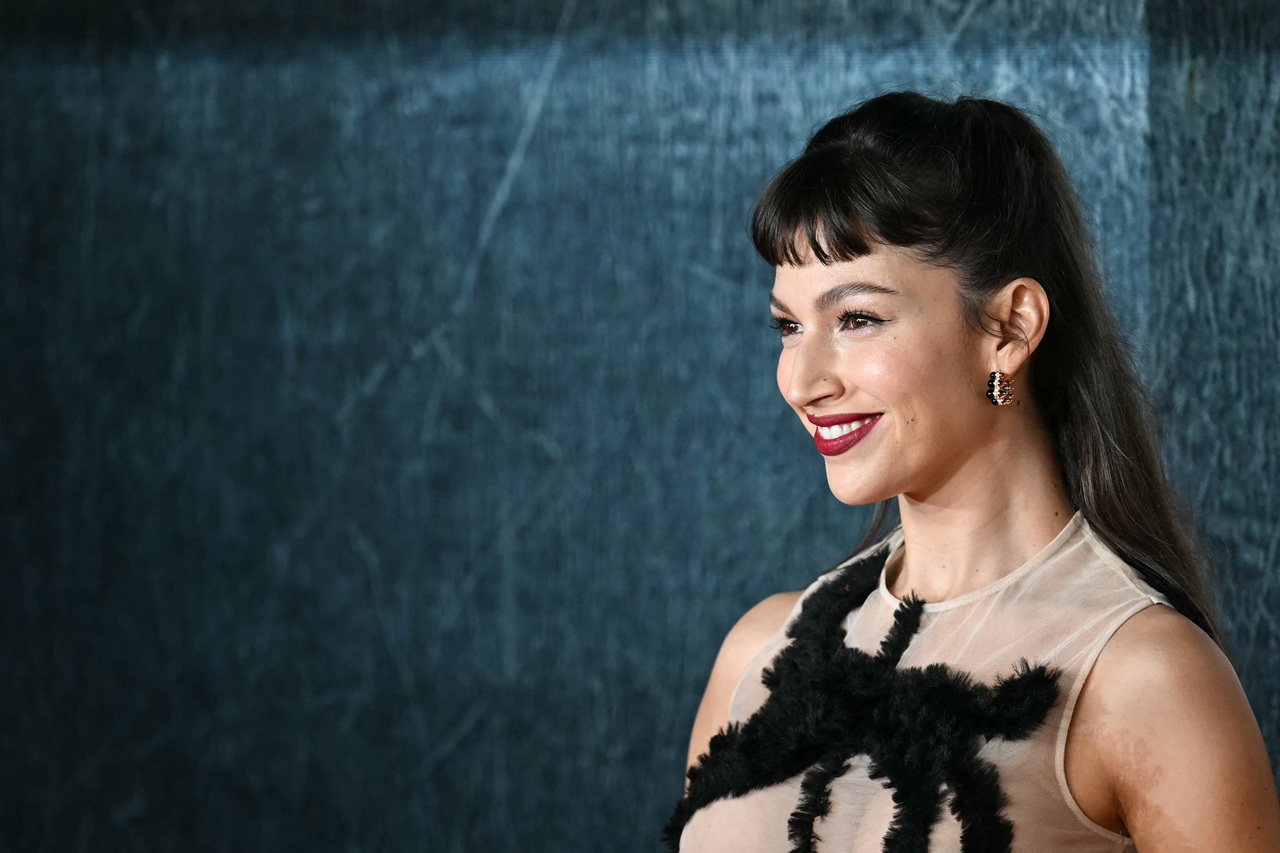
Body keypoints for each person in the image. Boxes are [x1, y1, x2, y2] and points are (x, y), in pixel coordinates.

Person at [665, 92, 1280, 852]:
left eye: (856, 318)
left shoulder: (1142, 678)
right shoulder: (757, 653)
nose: (800, 379)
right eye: (789, 326)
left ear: (1010, 326)